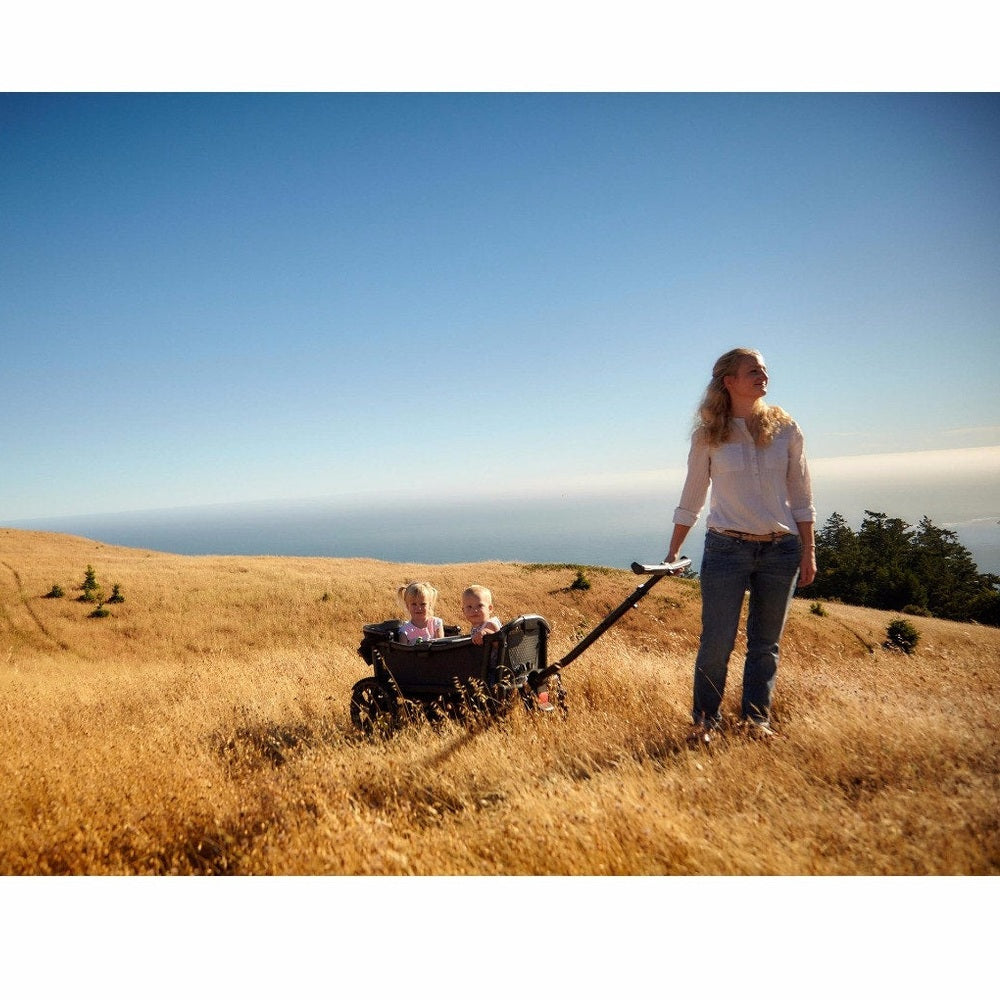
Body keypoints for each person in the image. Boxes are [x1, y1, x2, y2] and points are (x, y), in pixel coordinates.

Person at [664, 348, 816, 744]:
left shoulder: (786, 429)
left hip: (781, 551)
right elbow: (692, 496)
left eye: (764, 369)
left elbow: (801, 494)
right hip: (726, 550)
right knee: (716, 643)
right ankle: (705, 722)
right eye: (753, 370)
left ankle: (755, 722)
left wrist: (809, 548)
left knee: (765, 646)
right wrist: (673, 551)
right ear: (729, 381)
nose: (763, 375)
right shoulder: (708, 435)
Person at [461, 584, 554, 712]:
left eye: (479, 606)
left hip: (497, 670)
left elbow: (499, 642)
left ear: (490, 608)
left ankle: (488, 710)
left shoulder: (490, 625)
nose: (474, 610)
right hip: (500, 667)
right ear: (463, 611)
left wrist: (486, 633)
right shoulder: (477, 626)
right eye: (469, 607)